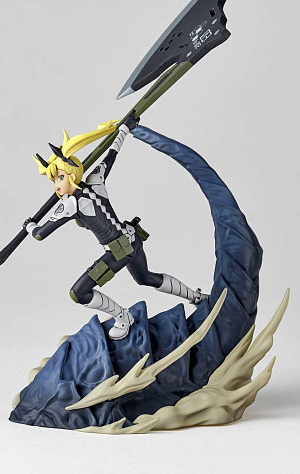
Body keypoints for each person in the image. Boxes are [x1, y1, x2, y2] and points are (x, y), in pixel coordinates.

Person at [23, 113, 207, 340]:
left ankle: (123, 317)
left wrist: (30, 226)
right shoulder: (95, 181)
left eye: (59, 178)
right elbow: (111, 155)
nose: (56, 186)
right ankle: (197, 297)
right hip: (132, 239)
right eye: (54, 181)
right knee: (145, 278)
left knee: (78, 293)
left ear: (71, 173)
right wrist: (124, 130)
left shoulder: (70, 204)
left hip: (118, 252)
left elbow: (40, 234)